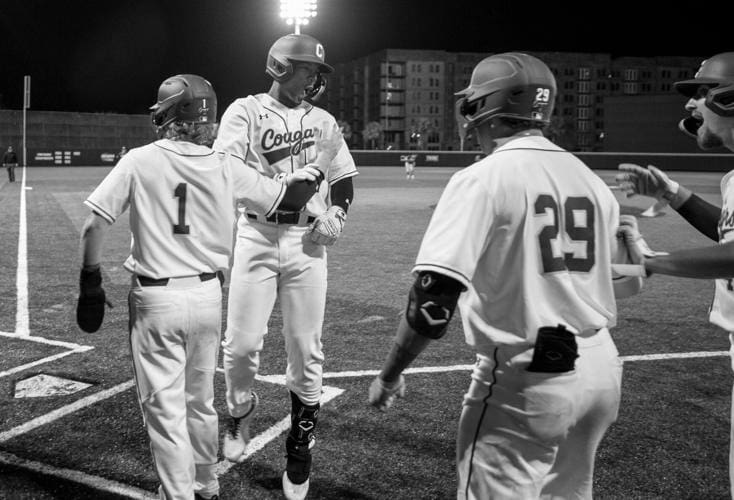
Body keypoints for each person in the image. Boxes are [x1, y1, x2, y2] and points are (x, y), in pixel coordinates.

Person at [368, 52, 641, 499]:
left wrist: (391, 373)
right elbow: (623, 283)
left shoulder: (483, 177)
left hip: (531, 377)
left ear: (485, 107)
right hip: (602, 370)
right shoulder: (591, 180)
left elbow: (433, 302)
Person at [75, 74, 330, 500]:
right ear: (207, 120)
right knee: (199, 402)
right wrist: (317, 166)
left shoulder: (140, 160)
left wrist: (90, 282)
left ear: (168, 114)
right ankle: (205, 484)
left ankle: (179, 496)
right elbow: (287, 200)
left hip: (157, 300)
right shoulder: (226, 165)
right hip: (209, 298)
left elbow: (94, 225)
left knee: (165, 412)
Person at [212, 33, 358, 500]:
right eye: (308, 70)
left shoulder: (324, 120)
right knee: (239, 347)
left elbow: (344, 179)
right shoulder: (245, 111)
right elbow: (227, 170)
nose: (315, 78)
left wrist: (338, 213)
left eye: (317, 72)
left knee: (305, 349)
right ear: (279, 67)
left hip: (307, 243)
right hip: (256, 235)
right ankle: (239, 409)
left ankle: (300, 445)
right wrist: (282, 188)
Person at [615, 51, 734, 499]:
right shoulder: (732, 179)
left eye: (702, 93)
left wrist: (653, 262)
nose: (691, 105)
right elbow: (728, 236)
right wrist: (675, 195)